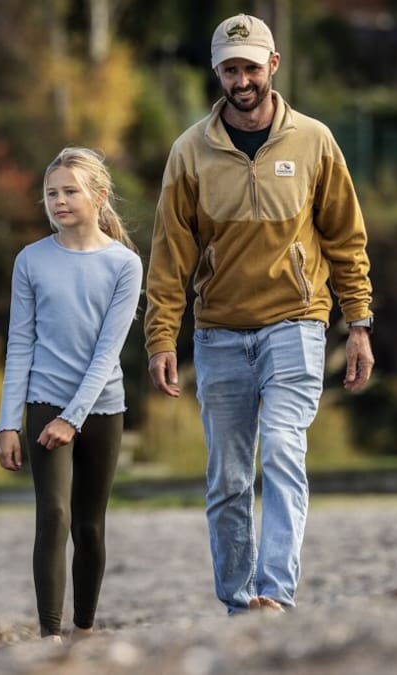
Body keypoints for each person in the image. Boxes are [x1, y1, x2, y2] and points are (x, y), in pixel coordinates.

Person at [144, 13, 375, 614]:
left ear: (273, 65)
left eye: (250, 66)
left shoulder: (315, 141)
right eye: (230, 69)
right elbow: (170, 253)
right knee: (227, 479)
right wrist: (162, 337)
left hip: (297, 321)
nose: (241, 79)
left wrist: (359, 326)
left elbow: (347, 240)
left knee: (280, 449)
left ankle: (274, 593)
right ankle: (237, 603)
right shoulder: (189, 152)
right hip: (219, 332)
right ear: (217, 72)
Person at [0, 148, 143, 642]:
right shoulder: (31, 260)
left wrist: (73, 418)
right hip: (44, 403)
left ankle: (83, 630)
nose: (58, 201)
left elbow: (108, 353)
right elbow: (20, 343)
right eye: (51, 193)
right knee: (53, 514)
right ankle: (50, 636)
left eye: (69, 191)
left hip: (101, 408)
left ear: (99, 196)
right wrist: (8, 422)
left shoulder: (124, 264)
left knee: (89, 524)